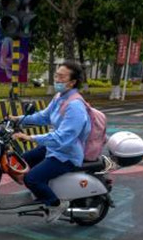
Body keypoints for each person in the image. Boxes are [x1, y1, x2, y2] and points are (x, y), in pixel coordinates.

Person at [8, 60, 91, 223]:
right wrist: (19, 119)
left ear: (72, 82)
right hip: (54, 148)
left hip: (66, 154)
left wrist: (30, 137)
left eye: (61, 77)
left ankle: (56, 204)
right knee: (21, 161)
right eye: (56, 75)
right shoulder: (60, 96)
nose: (57, 80)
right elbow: (44, 116)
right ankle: (42, 190)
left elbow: (63, 138)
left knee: (31, 178)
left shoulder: (75, 106)